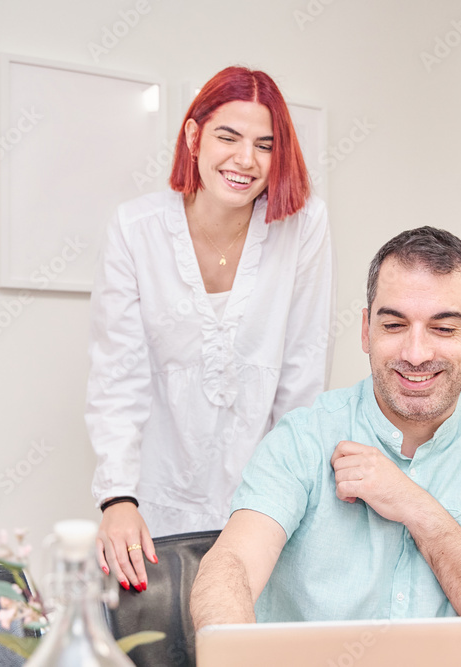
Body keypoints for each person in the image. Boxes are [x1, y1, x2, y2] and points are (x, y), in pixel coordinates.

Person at [190, 227, 461, 627]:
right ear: (366, 331)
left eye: (444, 328)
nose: (416, 354)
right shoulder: (304, 437)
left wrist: (416, 508)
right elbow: (230, 567)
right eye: (394, 326)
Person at [86, 66, 335, 593]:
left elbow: (302, 377)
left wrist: (295, 499)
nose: (246, 160)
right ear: (194, 137)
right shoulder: (136, 230)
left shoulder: (305, 226)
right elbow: (118, 378)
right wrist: (117, 499)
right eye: (229, 137)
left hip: (268, 503)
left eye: (265, 145)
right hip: (153, 503)